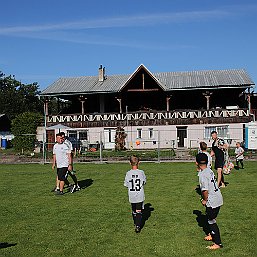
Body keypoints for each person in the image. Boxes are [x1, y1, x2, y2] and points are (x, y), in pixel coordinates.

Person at [196, 152, 224, 250]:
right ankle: (211, 234)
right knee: (209, 217)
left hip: (213, 200)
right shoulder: (209, 170)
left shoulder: (202, 175)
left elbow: (204, 190)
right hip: (218, 196)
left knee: (211, 220)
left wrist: (204, 200)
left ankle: (217, 243)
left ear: (196, 163)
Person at [124, 155, 146, 233]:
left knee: (134, 210)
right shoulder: (141, 172)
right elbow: (144, 182)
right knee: (139, 210)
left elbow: (126, 184)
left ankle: (135, 223)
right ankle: (138, 225)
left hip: (132, 195)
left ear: (130, 163)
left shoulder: (128, 173)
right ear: (139, 163)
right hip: (140, 194)